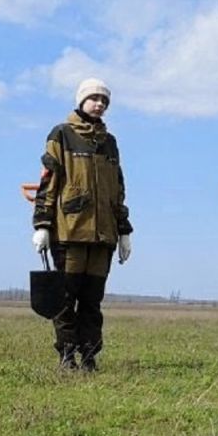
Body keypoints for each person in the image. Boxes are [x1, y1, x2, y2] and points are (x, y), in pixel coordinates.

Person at [31, 78, 133, 371]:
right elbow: (48, 182)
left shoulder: (109, 142)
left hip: (103, 237)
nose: (99, 103)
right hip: (70, 232)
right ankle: (67, 354)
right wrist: (42, 224)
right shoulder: (61, 135)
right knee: (65, 299)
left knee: (92, 300)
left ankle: (89, 355)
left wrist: (124, 230)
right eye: (94, 98)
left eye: (104, 100)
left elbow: (118, 190)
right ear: (81, 100)